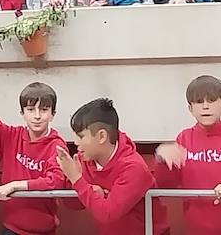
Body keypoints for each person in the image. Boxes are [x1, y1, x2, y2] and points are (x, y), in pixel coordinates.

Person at [0, 75, 67, 234]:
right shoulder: (12, 136)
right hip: (11, 228)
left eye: (44, 110)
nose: (37, 116)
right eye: (31, 109)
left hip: (42, 230)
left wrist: (15, 185)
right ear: (22, 113)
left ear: (53, 114)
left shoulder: (57, 145)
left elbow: (55, 181)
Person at [154, 75, 221, 235]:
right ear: (190, 108)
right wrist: (162, 160)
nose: (205, 107)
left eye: (211, 101)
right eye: (199, 102)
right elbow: (165, 185)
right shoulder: (184, 138)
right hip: (195, 229)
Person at [57, 98, 167, 235]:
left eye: (81, 136)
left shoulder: (134, 167)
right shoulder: (83, 158)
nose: (76, 142)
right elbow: (72, 205)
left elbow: (107, 214)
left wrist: (76, 178)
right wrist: (73, 181)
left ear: (102, 136)